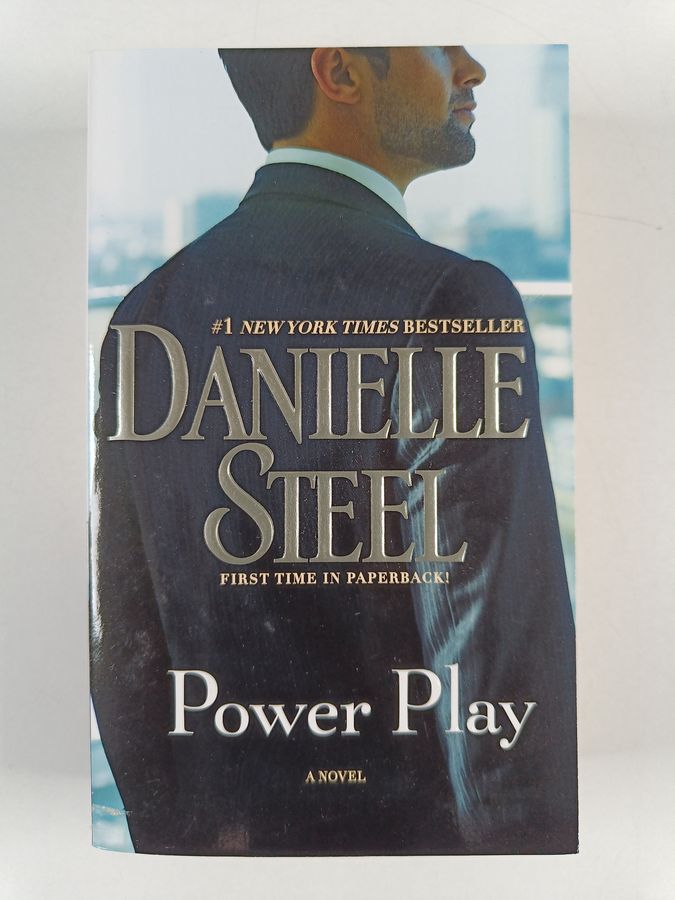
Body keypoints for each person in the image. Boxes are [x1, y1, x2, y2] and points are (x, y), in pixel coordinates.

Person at [91, 47, 577, 855]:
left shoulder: (148, 309)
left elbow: (122, 650)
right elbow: (497, 676)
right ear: (340, 74)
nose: (472, 68)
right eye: (437, 41)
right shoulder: (451, 299)